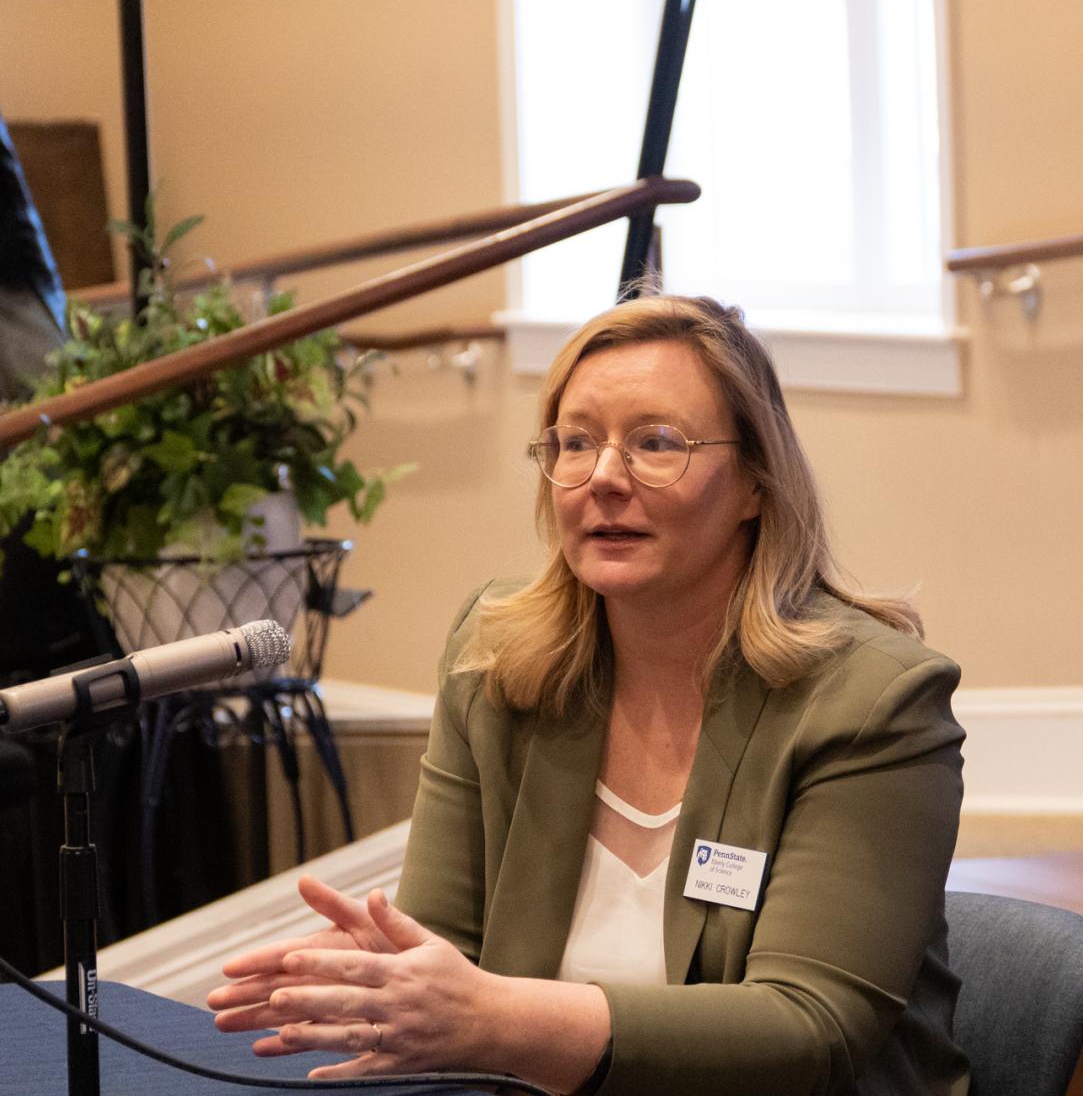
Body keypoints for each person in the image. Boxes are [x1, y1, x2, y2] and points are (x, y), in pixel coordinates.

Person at [207, 294, 969, 1094]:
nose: (603, 476)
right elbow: (445, 951)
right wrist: (385, 983)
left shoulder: (872, 699)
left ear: (755, 480)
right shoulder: (497, 658)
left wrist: (493, 1017)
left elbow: (807, 1029)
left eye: (656, 442)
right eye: (575, 443)